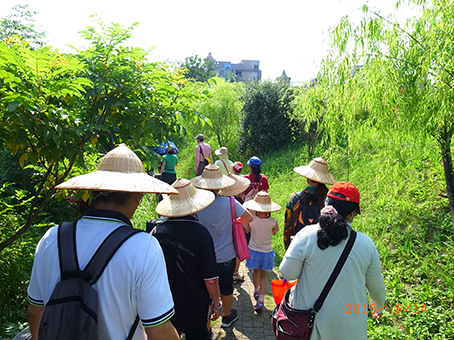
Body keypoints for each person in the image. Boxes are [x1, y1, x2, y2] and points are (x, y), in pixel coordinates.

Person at [27, 144, 180, 340]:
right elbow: (159, 331)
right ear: (138, 195)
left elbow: (35, 311)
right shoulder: (144, 247)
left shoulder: (51, 238)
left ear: (91, 192)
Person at [279, 181, 386, 340]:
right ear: (352, 214)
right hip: (349, 328)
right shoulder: (366, 244)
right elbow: (377, 290)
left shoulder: (306, 235)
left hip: (307, 324)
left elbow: (288, 272)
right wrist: (377, 307)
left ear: (325, 204)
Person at [152, 178, 221, 340]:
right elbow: (210, 279)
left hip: (165, 306)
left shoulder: (156, 232)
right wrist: (216, 304)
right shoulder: (201, 233)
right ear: (193, 205)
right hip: (195, 305)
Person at [191, 164, 253, 328]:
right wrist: (234, 220)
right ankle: (226, 316)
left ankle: (206, 322)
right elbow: (248, 218)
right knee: (226, 286)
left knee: (204, 288)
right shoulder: (230, 202)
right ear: (221, 184)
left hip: (202, 255)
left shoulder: (197, 204)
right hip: (226, 254)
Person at [283, 157, 336, 249]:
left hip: (299, 244)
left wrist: (288, 246)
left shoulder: (295, 198)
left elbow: (288, 224)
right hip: (322, 246)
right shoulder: (330, 199)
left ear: (308, 177)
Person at [243, 191, 281, 311]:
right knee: (264, 276)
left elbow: (247, 232)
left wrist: (247, 228)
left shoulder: (251, 219)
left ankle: (256, 289)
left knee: (255, 272)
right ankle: (261, 300)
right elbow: (274, 232)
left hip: (253, 250)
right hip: (267, 251)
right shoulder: (273, 221)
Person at [218, 172, 252, 283]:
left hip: (220, 232)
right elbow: (248, 218)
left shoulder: (218, 199)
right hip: (233, 232)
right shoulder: (236, 201)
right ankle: (235, 272)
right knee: (236, 249)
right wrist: (239, 222)